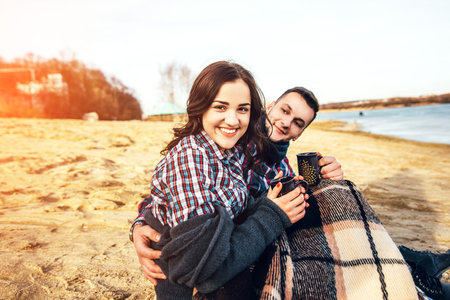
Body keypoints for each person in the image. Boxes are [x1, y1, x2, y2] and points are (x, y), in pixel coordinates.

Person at [139, 61, 310, 299]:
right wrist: (139, 226)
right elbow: (164, 197)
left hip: (228, 257)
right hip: (195, 281)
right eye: (220, 107)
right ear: (269, 108)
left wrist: (322, 176)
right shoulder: (198, 153)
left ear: (299, 133)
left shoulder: (237, 151)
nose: (232, 120)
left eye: (242, 109)